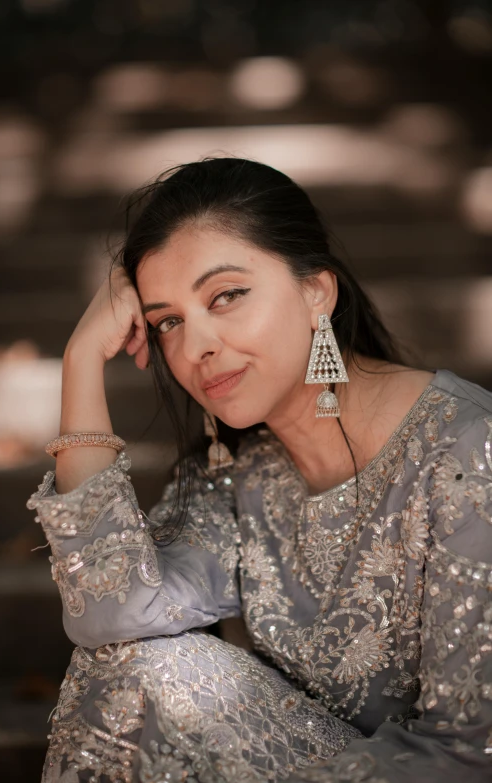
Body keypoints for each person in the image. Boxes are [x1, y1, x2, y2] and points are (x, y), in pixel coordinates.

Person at [26, 157, 492, 783]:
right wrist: (81, 360)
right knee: (130, 662)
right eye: (168, 322)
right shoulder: (242, 472)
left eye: (227, 296)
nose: (196, 348)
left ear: (316, 292)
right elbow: (109, 610)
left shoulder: (467, 450)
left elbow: (472, 749)